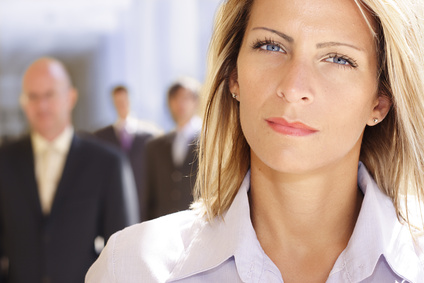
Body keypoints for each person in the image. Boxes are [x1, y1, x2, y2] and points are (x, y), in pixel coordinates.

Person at [86, 0, 424, 282]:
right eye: (271, 46)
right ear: (234, 75)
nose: (293, 88)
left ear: (380, 101)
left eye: (338, 58)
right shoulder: (133, 268)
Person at [0, 57, 139, 283]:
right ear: (23, 102)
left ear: (70, 97)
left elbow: (123, 253)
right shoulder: (4, 160)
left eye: (50, 95)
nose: (42, 105)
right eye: (33, 97)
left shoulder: (108, 163)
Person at [94, 85, 162, 221]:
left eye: (125, 101)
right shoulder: (101, 137)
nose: (122, 105)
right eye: (118, 102)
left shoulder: (150, 135)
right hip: (114, 203)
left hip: (144, 205)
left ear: (131, 101)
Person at [145, 77, 202, 219]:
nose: (180, 103)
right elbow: (149, 195)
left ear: (195, 102)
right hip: (164, 226)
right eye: (175, 98)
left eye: (186, 98)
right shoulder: (155, 146)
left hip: (199, 224)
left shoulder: (211, 141)